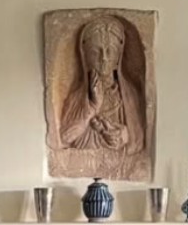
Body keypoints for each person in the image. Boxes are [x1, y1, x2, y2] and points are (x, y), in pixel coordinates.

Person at [59, 15, 145, 157]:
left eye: (109, 51)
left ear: (118, 58)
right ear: (85, 58)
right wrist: (93, 108)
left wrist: (123, 135)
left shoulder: (130, 97)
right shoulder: (76, 99)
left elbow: (138, 140)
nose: (103, 58)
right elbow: (65, 138)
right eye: (95, 52)